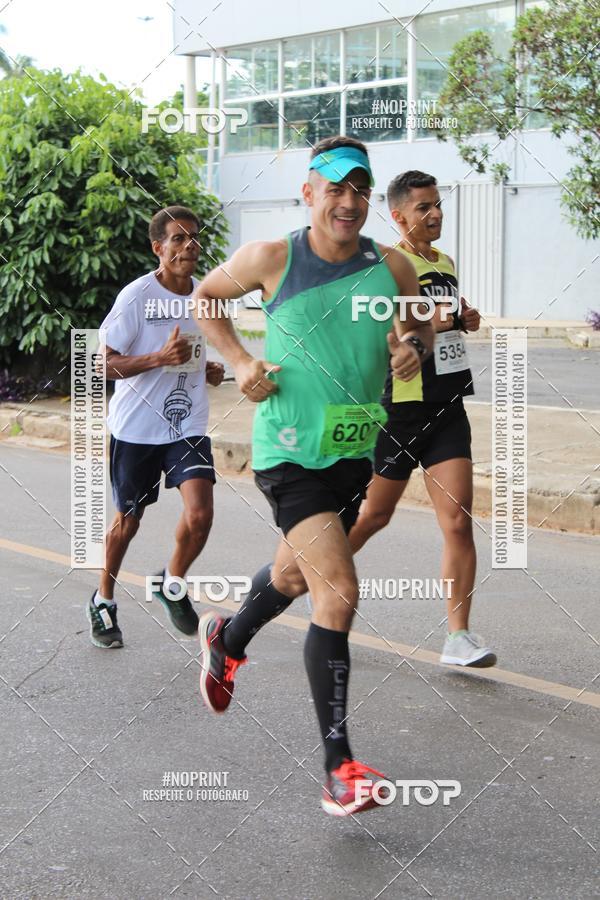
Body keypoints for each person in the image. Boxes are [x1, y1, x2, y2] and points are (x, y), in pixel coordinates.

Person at [193, 137, 434, 816]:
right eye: (335, 189)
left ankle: (226, 640)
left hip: (353, 452)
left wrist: (410, 350)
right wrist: (241, 360)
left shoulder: (392, 267)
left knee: (294, 576)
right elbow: (206, 298)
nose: (349, 201)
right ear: (309, 194)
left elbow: (418, 327)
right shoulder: (273, 258)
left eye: (360, 189)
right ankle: (339, 769)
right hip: (288, 452)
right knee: (337, 590)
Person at [348, 171, 496, 668]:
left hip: (448, 404)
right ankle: (305, 569)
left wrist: (464, 318)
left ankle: (458, 637)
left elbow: (444, 317)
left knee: (457, 521)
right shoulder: (387, 266)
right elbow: (383, 331)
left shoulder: (444, 261)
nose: (435, 214)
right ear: (398, 216)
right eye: (424, 208)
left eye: (438, 204)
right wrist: (431, 324)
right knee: (374, 515)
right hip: (402, 408)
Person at [87, 205, 224, 649]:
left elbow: (196, 354)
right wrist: (158, 359)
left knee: (200, 513)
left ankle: (171, 581)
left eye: (194, 237)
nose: (189, 246)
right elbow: (102, 364)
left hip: (186, 424)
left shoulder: (205, 296)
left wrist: (210, 370)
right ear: (158, 248)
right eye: (178, 239)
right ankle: (104, 599)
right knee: (128, 522)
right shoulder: (137, 296)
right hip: (136, 429)